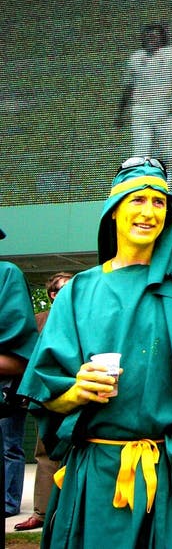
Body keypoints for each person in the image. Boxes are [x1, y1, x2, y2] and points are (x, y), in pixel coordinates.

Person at [19, 157, 172, 548]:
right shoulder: (79, 293)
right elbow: (47, 398)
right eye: (138, 199)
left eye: (159, 202)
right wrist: (75, 392)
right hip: (94, 483)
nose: (149, 212)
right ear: (114, 211)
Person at [14, 272, 73, 533]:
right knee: (46, 453)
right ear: (52, 294)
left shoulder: (88, 316)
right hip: (47, 399)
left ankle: (76, 511)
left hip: (83, 397)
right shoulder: (38, 322)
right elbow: (26, 359)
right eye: (63, 288)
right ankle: (42, 512)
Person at [0, 231, 38, 540]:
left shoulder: (7, 275)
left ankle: (8, 503)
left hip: (6, 394)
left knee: (10, 447)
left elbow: (20, 357)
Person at [115, 23, 172, 175]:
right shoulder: (136, 57)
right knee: (140, 152)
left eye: (155, 36)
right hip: (141, 108)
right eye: (148, 36)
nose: (151, 39)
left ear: (162, 38)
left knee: (164, 151)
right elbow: (128, 86)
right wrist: (121, 113)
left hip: (164, 107)